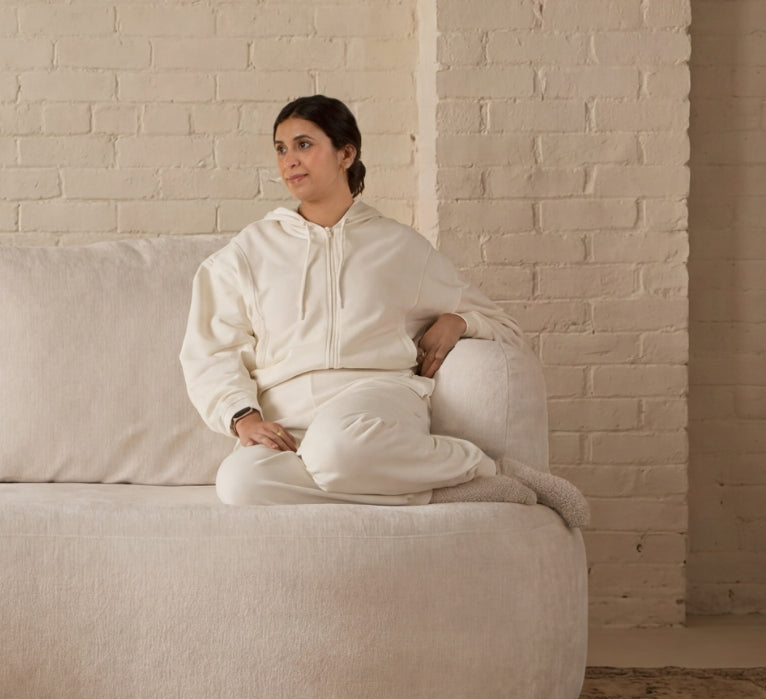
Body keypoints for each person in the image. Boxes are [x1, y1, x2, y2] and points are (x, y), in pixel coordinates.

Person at [180, 95, 588, 527]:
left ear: (346, 154)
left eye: (304, 145)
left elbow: (504, 325)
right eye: (281, 149)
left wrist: (460, 321)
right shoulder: (248, 251)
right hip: (289, 415)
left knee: (335, 451)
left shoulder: (399, 246)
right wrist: (242, 416)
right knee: (240, 482)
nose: (289, 161)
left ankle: (490, 468)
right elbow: (211, 348)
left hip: (375, 399)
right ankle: (443, 487)